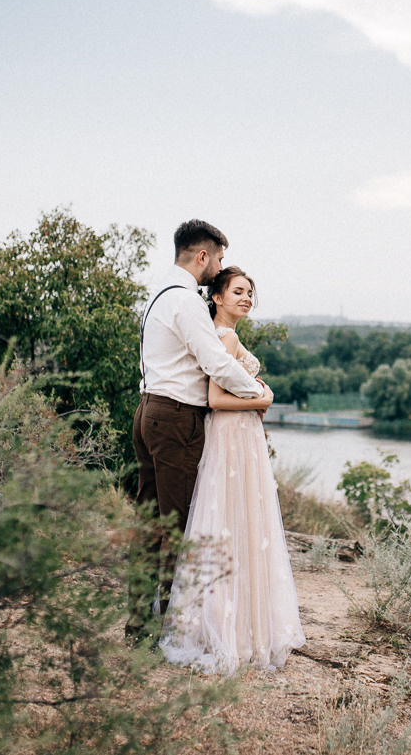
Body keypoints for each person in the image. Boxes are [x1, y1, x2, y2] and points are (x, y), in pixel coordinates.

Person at [129, 221, 273, 638]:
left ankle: (140, 623)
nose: (220, 267)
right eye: (220, 259)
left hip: (149, 410)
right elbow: (217, 363)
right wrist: (257, 394)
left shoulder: (159, 294)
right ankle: (172, 629)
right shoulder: (186, 302)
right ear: (203, 256)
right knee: (179, 526)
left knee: (152, 524)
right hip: (175, 418)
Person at [159, 266, 305, 675]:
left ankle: (236, 625)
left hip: (240, 436)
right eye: (238, 291)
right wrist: (262, 400)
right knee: (232, 522)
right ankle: (230, 630)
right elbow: (216, 399)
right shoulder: (224, 337)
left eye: (250, 292)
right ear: (217, 297)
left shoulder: (226, 335)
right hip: (231, 433)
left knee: (234, 522)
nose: (247, 298)